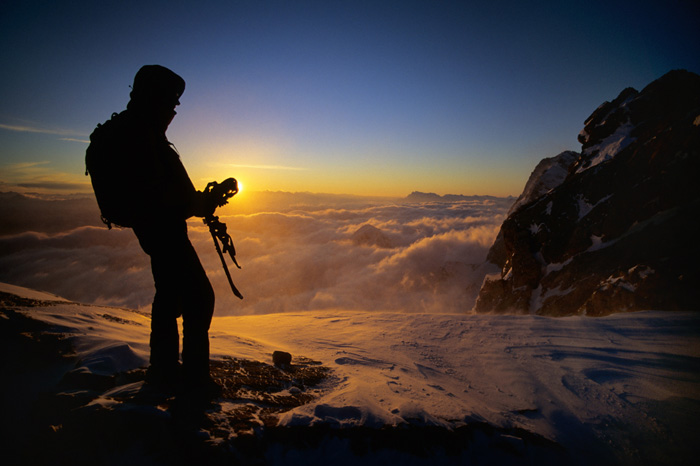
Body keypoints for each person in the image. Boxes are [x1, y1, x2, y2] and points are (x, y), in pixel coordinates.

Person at [87, 65, 222, 398]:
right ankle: (191, 381)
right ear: (156, 98)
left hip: (155, 228)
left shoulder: (136, 132)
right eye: (172, 104)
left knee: (170, 295)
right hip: (162, 229)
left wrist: (199, 203)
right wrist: (200, 204)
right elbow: (162, 197)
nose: (174, 111)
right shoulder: (141, 137)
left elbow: (161, 194)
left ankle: (163, 372)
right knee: (199, 298)